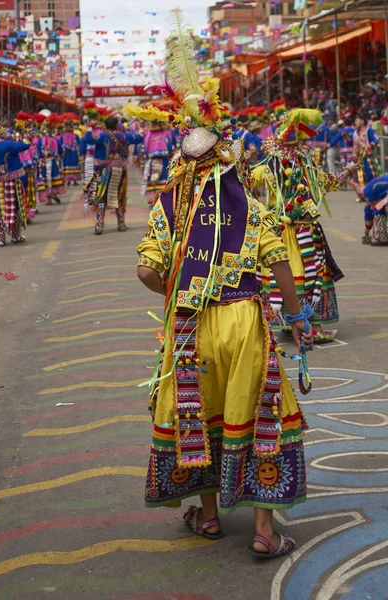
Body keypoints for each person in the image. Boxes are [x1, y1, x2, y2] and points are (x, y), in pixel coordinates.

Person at [136, 9, 313, 559]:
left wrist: (175, 288)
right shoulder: (253, 208)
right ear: (229, 160)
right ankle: (263, 532)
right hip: (244, 319)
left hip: (190, 325)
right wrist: (299, 316)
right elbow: (281, 268)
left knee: (198, 412)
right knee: (261, 414)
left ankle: (209, 518)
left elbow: (146, 270)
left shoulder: (168, 205)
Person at [251, 108, 358, 343]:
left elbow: (245, 180)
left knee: (282, 273)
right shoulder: (307, 168)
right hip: (304, 232)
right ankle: (313, 325)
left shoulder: (267, 168)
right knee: (312, 274)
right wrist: (350, 169)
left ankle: (287, 321)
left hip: (276, 233)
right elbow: (330, 182)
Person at [83, 114, 143, 234]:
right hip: (120, 171)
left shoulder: (102, 136)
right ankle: (121, 223)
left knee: (101, 197)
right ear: (117, 125)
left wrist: (90, 127)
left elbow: (87, 139)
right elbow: (139, 138)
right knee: (120, 196)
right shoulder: (124, 137)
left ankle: (99, 224)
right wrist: (139, 127)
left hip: (105, 171)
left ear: (105, 126)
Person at [0, 117, 29, 247]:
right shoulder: (8, 144)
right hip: (11, 181)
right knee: (14, 206)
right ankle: (15, 235)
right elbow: (25, 145)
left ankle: (1, 238)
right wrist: (26, 134)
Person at [352, 114, 382, 202]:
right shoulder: (355, 133)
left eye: (357, 120)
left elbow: (375, 140)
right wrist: (348, 139)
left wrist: (371, 145)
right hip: (358, 158)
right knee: (358, 177)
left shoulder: (369, 131)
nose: (355, 122)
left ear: (362, 121)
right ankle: (362, 195)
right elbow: (354, 144)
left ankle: (372, 195)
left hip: (368, 158)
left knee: (370, 176)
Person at [37, 114, 66, 205]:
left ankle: (49, 198)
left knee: (46, 179)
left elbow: (38, 152)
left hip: (44, 163)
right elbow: (61, 151)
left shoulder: (40, 140)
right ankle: (54, 194)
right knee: (54, 178)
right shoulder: (55, 140)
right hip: (53, 162)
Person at [363, 175, 388, 245]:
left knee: (378, 212)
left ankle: (380, 237)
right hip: (380, 192)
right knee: (380, 211)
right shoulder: (372, 189)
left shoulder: (369, 193)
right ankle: (381, 237)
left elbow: (369, 211)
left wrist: (367, 229)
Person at [60, 113, 81, 186]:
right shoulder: (74, 135)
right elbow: (80, 143)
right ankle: (70, 180)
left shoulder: (63, 136)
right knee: (71, 165)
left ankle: (69, 180)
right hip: (70, 153)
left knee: (69, 165)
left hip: (69, 153)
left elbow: (59, 144)